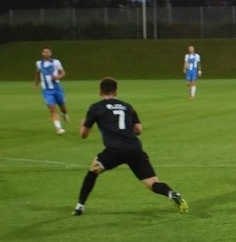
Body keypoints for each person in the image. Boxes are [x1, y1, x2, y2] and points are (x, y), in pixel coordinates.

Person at [72, 77, 188, 216]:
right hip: (134, 149)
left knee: (93, 171)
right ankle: (171, 193)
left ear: (100, 91)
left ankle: (80, 206)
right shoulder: (127, 106)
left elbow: (83, 135)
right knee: (152, 183)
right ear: (116, 91)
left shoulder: (96, 107)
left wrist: (82, 124)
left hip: (114, 150)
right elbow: (138, 129)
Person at [34, 47, 69, 135]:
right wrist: (36, 84)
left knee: (63, 107)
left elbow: (62, 72)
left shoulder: (56, 62)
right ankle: (59, 128)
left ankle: (64, 114)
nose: (46, 53)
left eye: (48, 52)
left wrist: (58, 77)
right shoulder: (38, 63)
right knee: (52, 109)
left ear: (50, 53)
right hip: (46, 90)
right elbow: (38, 74)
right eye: (44, 52)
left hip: (57, 88)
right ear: (42, 53)